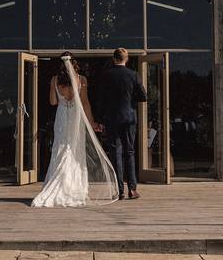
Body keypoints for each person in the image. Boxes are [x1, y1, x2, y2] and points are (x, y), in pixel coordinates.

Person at [31, 52, 119, 207]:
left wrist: (56, 91)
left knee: (61, 148)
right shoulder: (81, 79)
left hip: (62, 116)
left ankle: (58, 185)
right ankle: (76, 188)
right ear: (74, 63)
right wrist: (91, 122)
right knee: (76, 149)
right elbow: (85, 103)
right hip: (76, 118)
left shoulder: (54, 80)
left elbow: (52, 102)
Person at [98, 47, 147, 200]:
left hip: (112, 118)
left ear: (114, 59)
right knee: (130, 152)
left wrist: (99, 119)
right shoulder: (133, 75)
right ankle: (132, 189)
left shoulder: (106, 76)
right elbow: (143, 96)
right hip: (129, 117)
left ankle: (119, 190)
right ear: (126, 59)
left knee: (116, 153)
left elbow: (100, 100)